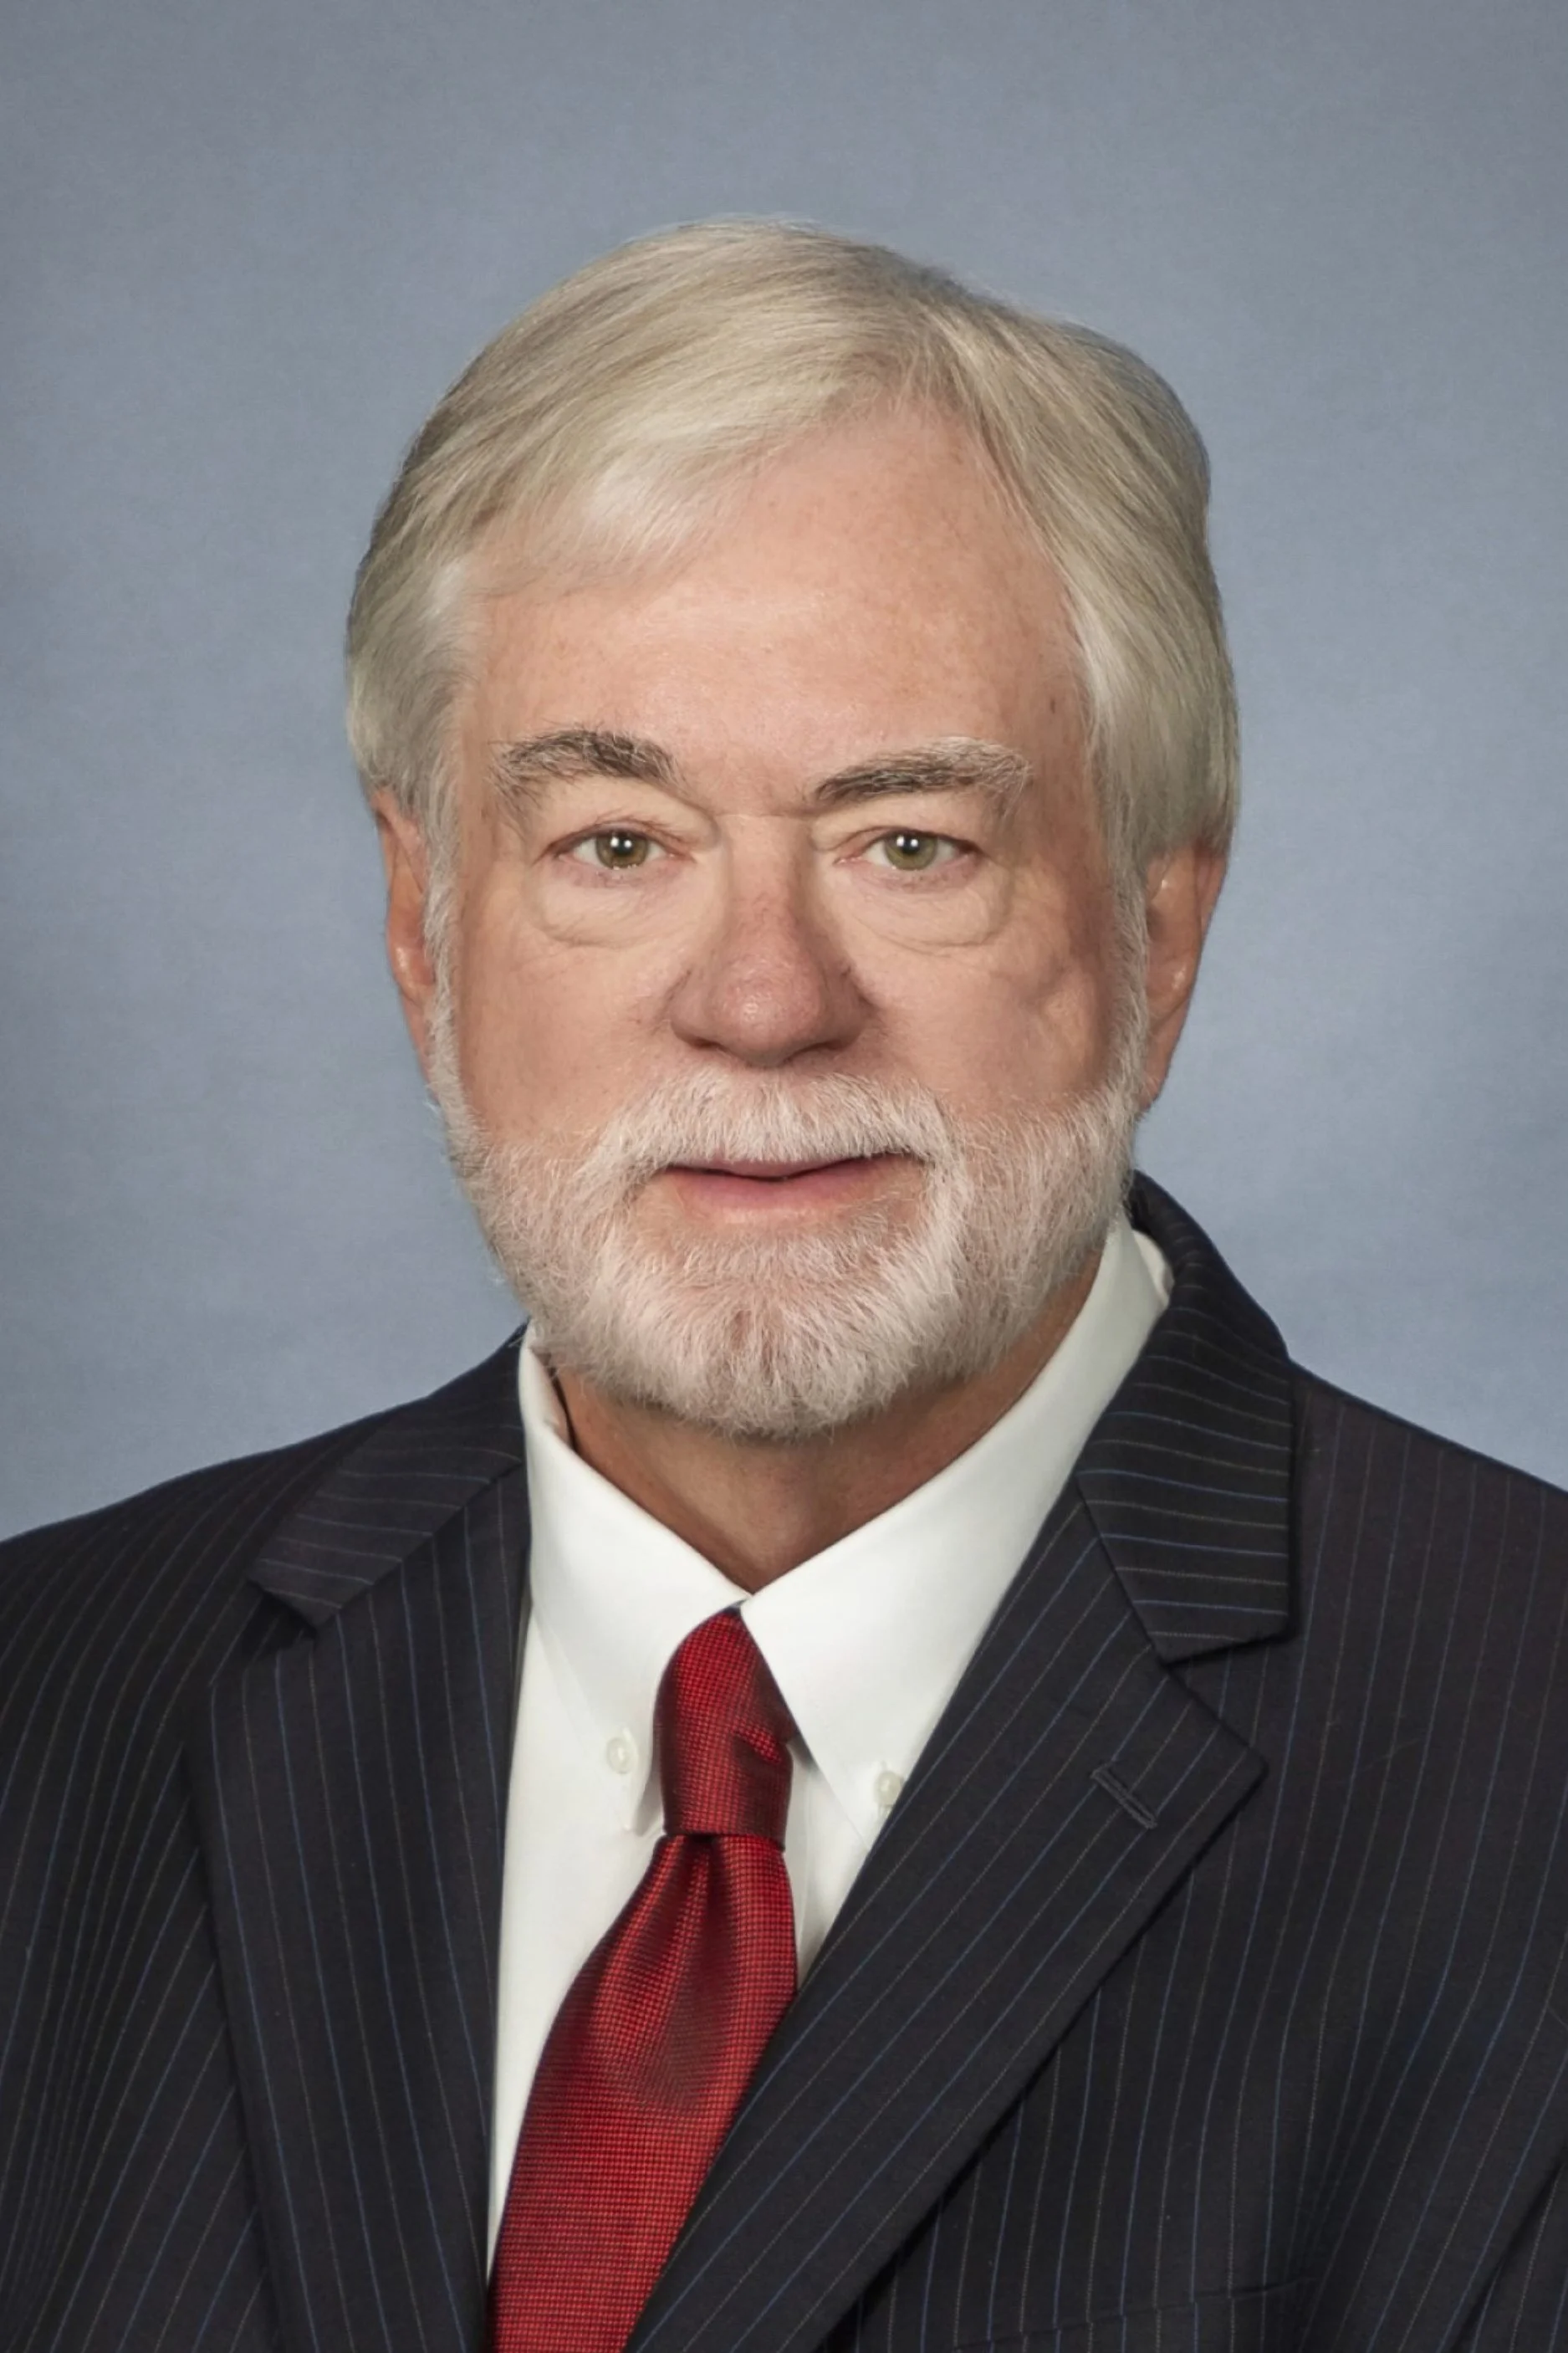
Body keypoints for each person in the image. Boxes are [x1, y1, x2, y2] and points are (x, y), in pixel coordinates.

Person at [2, 221, 1565, 2353]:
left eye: (907, 841)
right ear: (420, 920)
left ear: (1155, 928)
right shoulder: (48, 1702)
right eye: (616, 841)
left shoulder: (1521, 1750)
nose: (760, 1002)